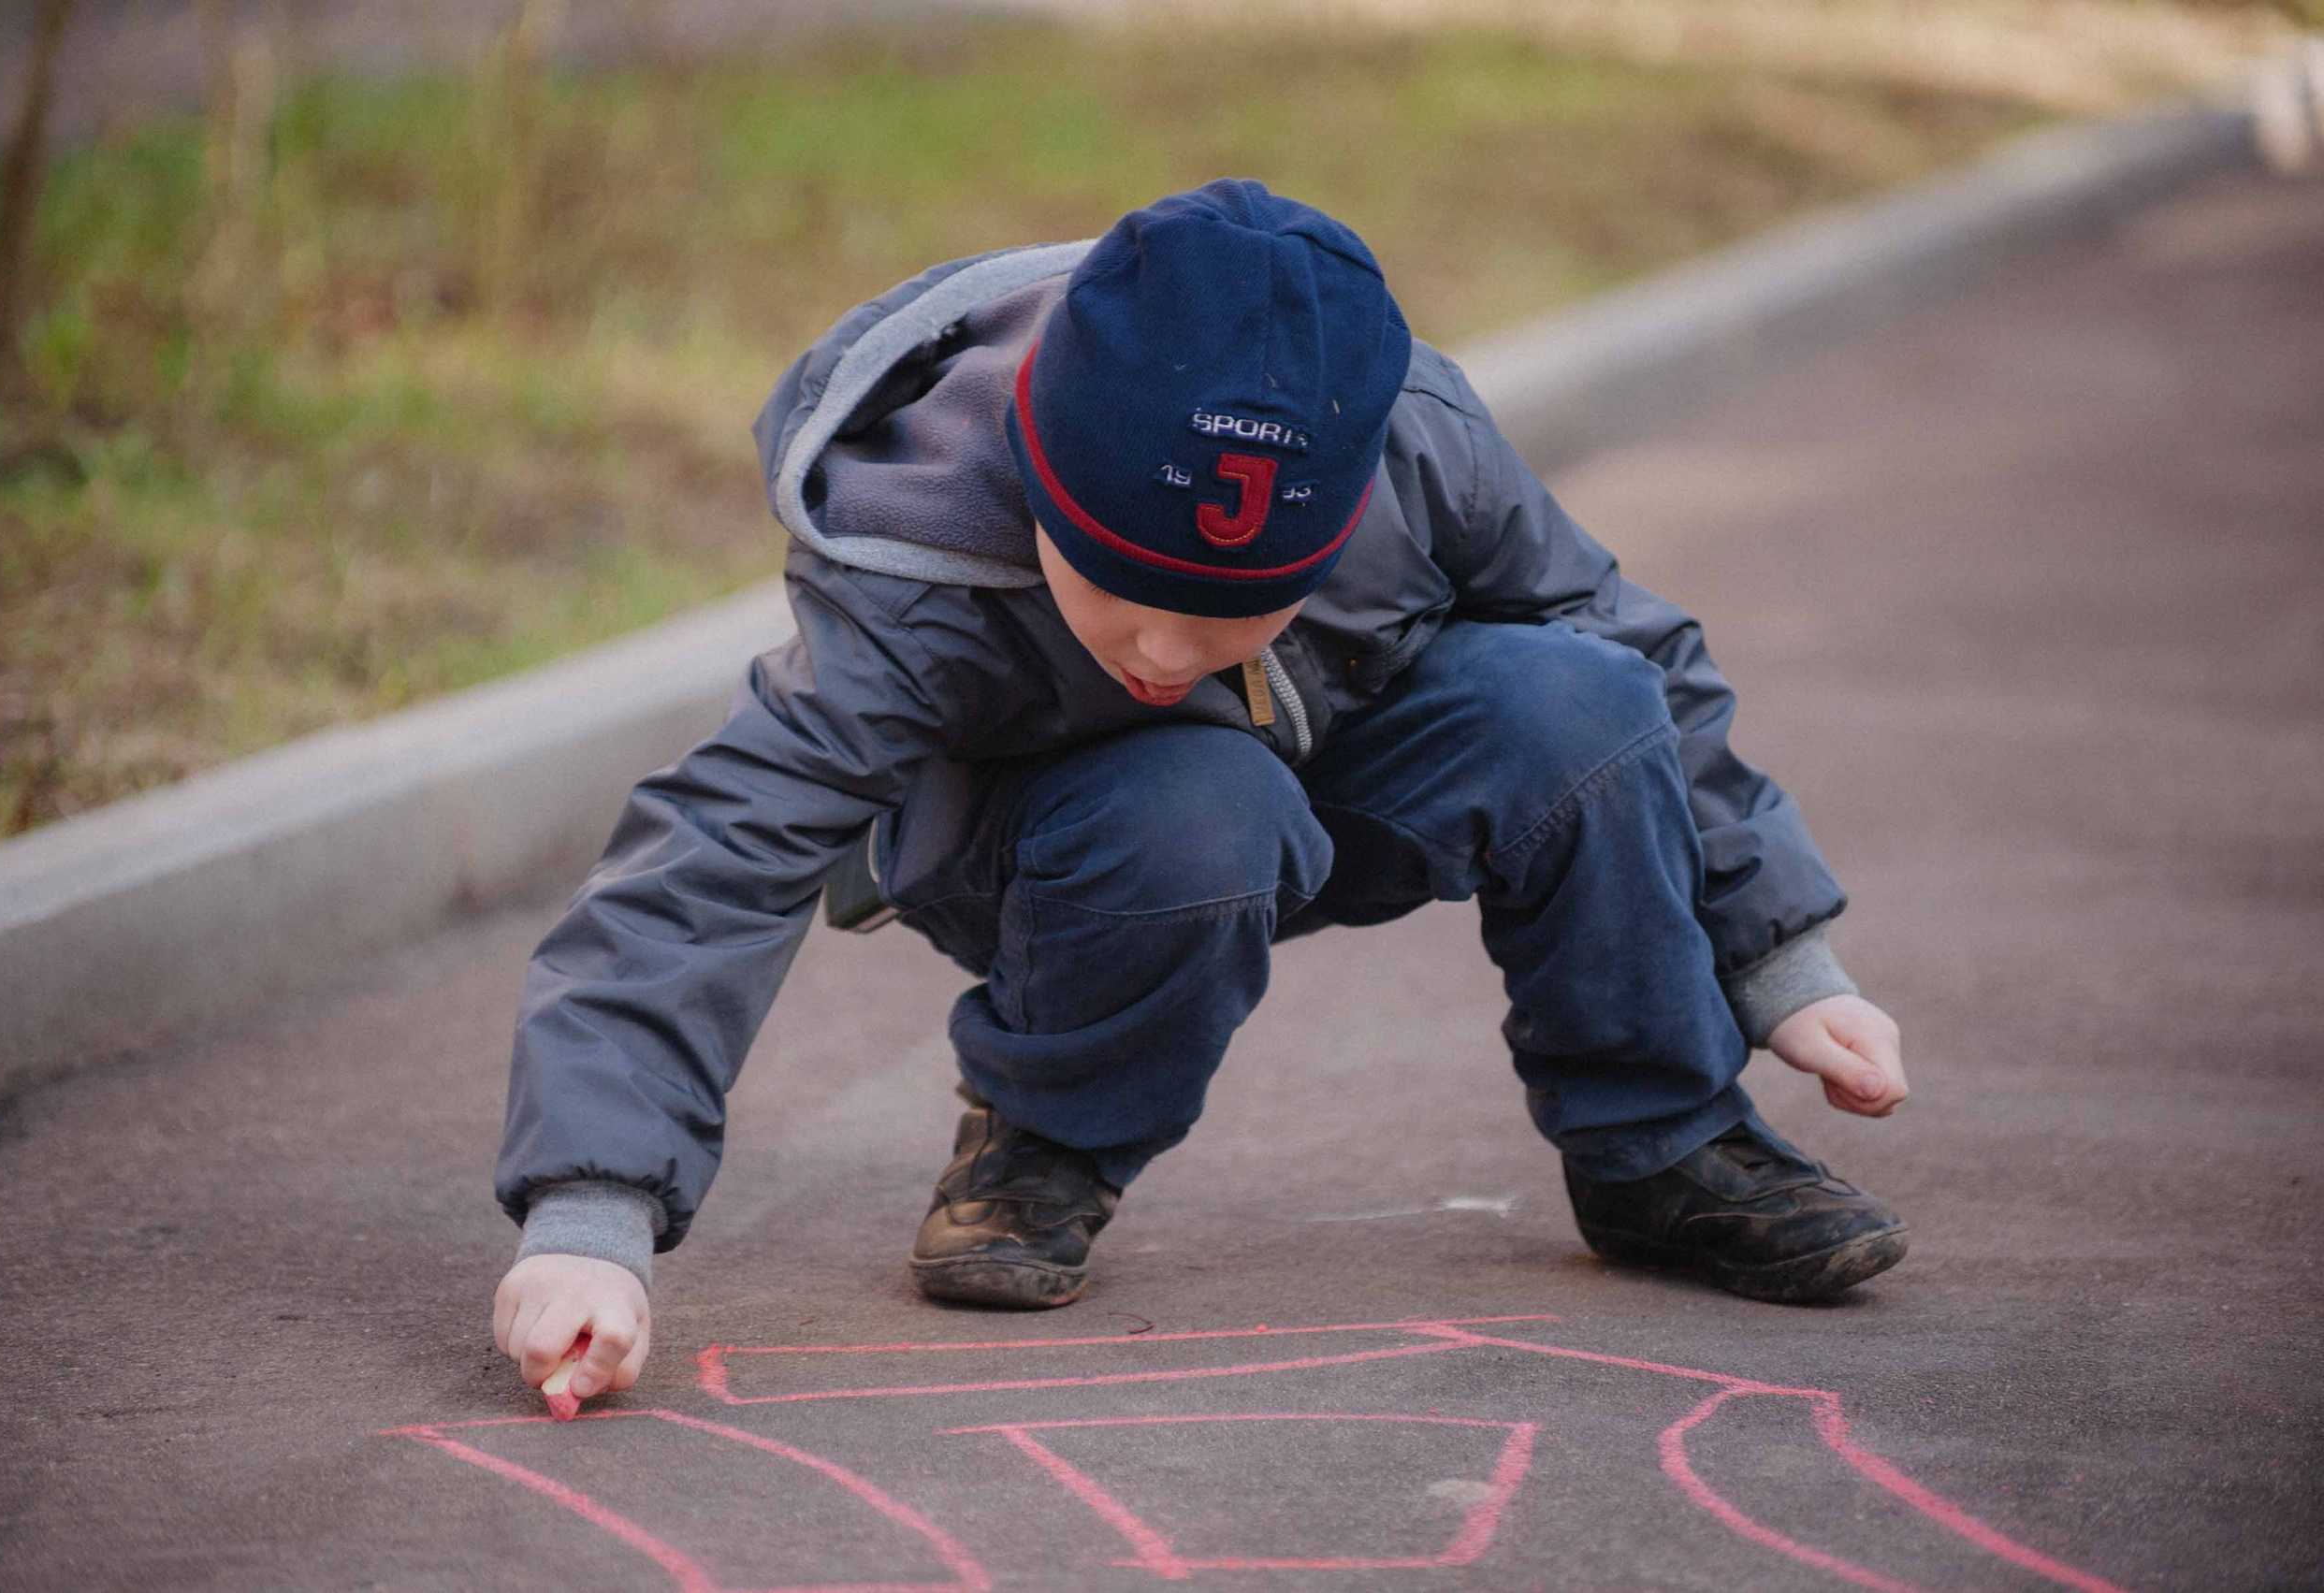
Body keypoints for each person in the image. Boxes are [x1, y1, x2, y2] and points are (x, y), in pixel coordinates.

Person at [487, 181, 1912, 1411]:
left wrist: (1777, 955)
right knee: (1198, 796)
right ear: (1043, 482)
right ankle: (1046, 1138)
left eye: (1230, 612)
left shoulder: (1409, 440)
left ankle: (1662, 1144)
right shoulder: (918, 566)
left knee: (1583, 702)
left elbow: (1623, 633)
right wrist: (589, 1219)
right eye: (1121, 592)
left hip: (1321, 765)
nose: (1164, 654)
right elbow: (716, 851)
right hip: (1048, 849)